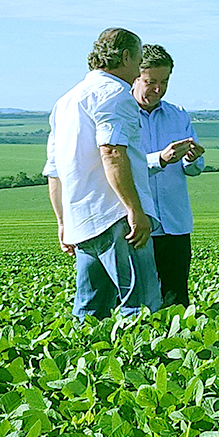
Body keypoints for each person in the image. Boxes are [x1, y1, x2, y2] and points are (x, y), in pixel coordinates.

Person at [44, 28, 162, 318]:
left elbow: (55, 170)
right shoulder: (115, 94)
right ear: (125, 57)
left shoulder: (66, 101)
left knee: (90, 309)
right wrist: (134, 210)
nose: (138, 69)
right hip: (116, 217)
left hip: (81, 221)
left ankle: (82, 361)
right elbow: (111, 152)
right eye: (137, 60)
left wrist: (63, 222)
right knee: (141, 306)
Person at [134, 44, 205, 308]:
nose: (158, 89)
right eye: (151, 82)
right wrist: (159, 159)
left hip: (176, 223)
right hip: (141, 225)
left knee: (177, 301)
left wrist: (193, 159)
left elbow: (194, 170)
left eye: (164, 82)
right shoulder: (123, 115)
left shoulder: (178, 115)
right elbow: (118, 165)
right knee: (140, 302)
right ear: (135, 78)